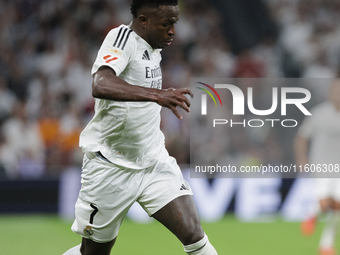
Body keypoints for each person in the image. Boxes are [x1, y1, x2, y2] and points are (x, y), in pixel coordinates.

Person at [63, 1, 218, 254]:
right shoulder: (122, 38)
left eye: (174, 23)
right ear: (143, 21)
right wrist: (156, 95)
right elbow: (100, 83)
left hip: (153, 162)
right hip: (110, 167)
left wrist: (155, 95)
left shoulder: (153, 47)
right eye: (166, 24)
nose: (172, 31)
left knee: (194, 235)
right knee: (93, 252)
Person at [295, 79, 340, 255]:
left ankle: (326, 245)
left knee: (337, 207)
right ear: (330, 93)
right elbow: (301, 137)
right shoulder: (319, 113)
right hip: (321, 165)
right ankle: (311, 213)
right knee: (325, 203)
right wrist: (302, 158)